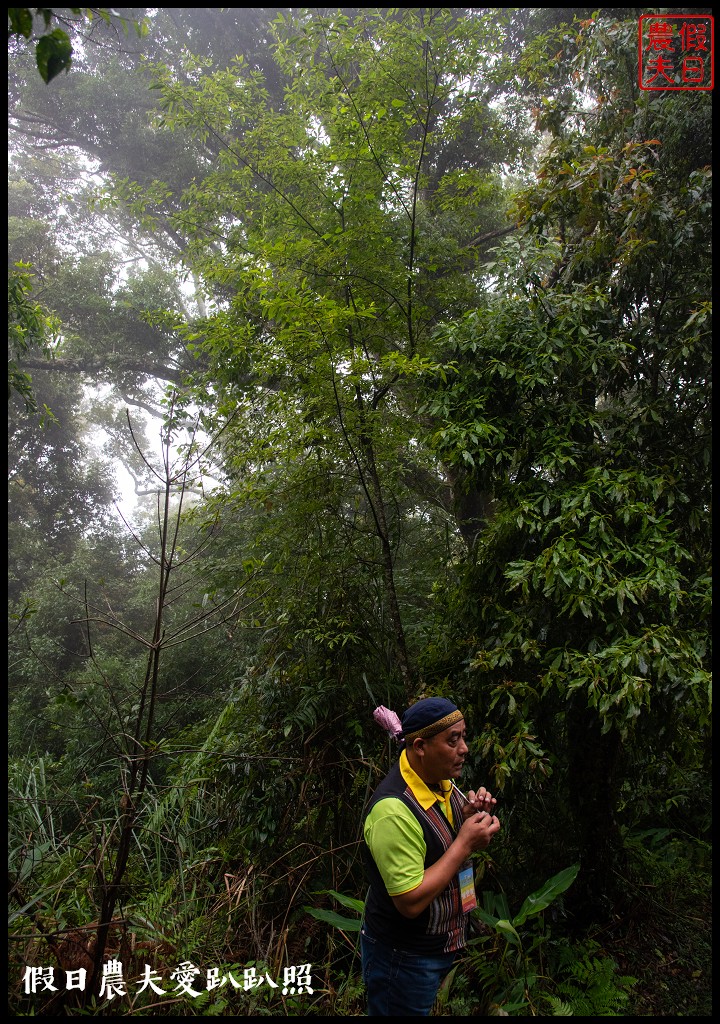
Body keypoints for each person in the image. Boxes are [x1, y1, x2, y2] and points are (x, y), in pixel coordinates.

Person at [361, 696, 500, 1017]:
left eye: (463, 736)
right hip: (403, 956)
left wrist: (468, 820)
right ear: (420, 746)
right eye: (453, 740)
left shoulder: (442, 783)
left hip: (438, 945)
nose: (464, 748)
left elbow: (438, 846)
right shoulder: (391, 811)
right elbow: (409, 902)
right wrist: (465, 844)